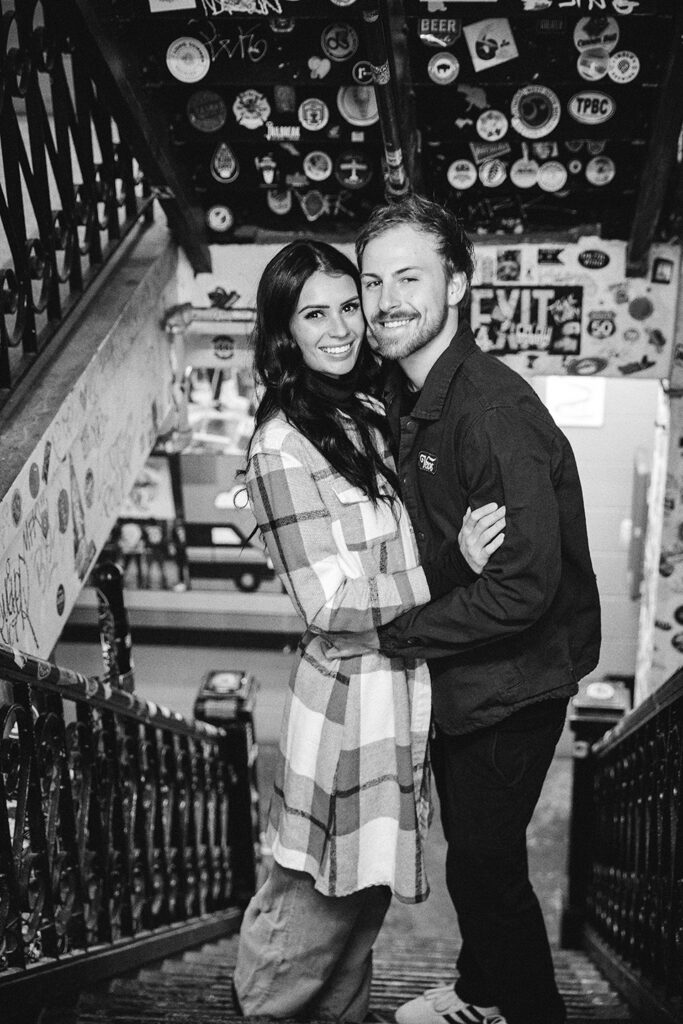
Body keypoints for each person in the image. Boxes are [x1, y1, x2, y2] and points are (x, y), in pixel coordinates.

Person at [232, 239, 505, 1023]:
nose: (342, 328)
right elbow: (326, 602)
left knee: (357, 923)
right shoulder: (280, 445)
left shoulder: (362, 412)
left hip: (394, 697)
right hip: (346, 705)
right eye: (315, 314)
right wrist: (447, 570)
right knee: (305, 923)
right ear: (284, 331)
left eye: (349, 306)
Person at [352, 195, 601, 1024]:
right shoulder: (406, 391)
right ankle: (479, 990)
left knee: (486, 867)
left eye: (409, 277)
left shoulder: (489, 410)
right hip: (467, 677)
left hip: (513, 683)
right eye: (372, 280)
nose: (385, 298)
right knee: (472, 857)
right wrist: (446, 564)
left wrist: (395, 631)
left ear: (455, 284)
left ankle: (530, 1010)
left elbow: (524, 588)